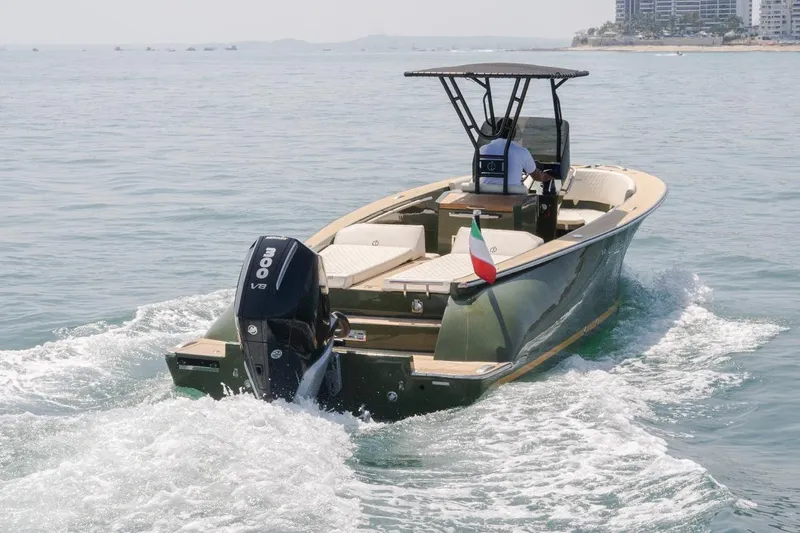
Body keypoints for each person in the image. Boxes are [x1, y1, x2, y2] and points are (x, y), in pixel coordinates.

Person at [479, 118, 551, 188]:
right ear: (514, 133)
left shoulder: (482, 150)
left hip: (485, 192)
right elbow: (536, 176)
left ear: (496, 132)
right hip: (511, 195)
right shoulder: (522, 151)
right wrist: (549, 177)